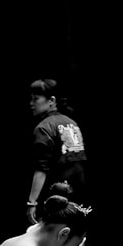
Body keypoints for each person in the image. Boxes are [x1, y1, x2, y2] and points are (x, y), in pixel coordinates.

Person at [25, 79, 87, 225]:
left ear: (51, 100)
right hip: (77, 195)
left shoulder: (43, 128)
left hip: (56, 196)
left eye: (36, 99)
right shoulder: (72, 123)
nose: (31, 103)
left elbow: (41, 168)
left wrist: (32, 202)